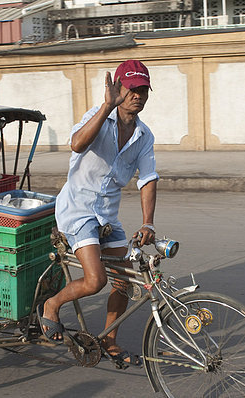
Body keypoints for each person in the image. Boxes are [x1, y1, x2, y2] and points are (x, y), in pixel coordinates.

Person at [37, 59, 158, 366]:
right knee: (96, 281)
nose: (138, 95)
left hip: (106, 216)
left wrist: (148, 223)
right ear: (119, 88)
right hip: (77, 211)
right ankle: (52, 304)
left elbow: (147, 179)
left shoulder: (144, 136)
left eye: (143, 89)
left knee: (124, 281)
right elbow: (76, 144)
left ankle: (109, 339)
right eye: (132, 89)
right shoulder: (98, 115)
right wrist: (106, 107)